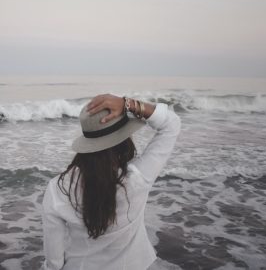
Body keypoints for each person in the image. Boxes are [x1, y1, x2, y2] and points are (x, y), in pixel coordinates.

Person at [41, 93, 181, 270]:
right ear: (124, 141)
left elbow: (54, 263)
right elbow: (171, 124)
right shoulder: (139, 177)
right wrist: (128, 104)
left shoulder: (58, 189)